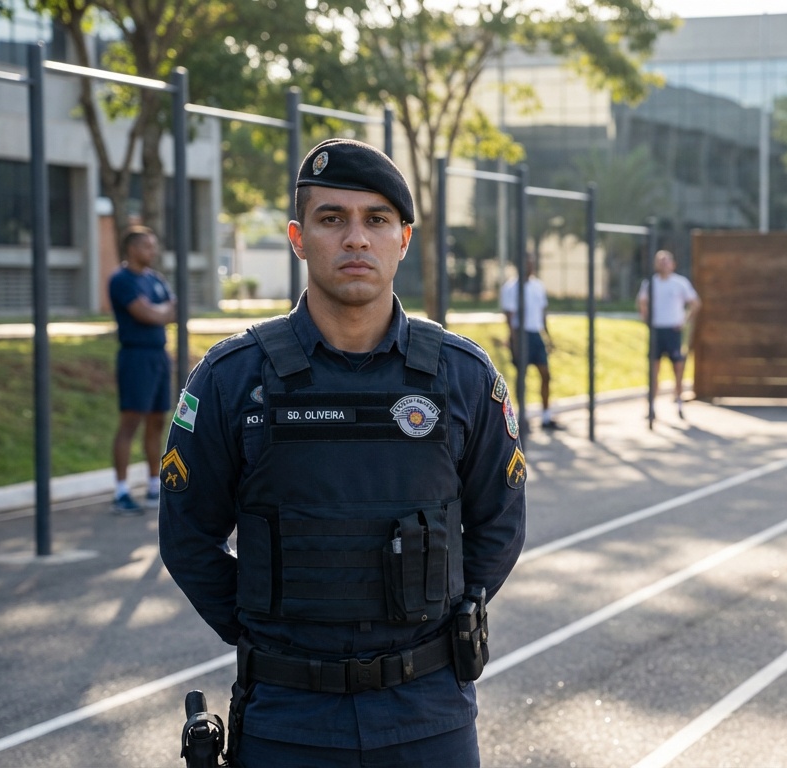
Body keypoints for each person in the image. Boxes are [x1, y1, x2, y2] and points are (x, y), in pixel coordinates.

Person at [159, 138, 526, 767]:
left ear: (403, 239)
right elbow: (188, 538)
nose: (356, 238)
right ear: (299, 238)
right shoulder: (231, 379)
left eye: (376, 220)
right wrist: (266, 630)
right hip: (287, 720)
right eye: (333, 219)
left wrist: (433, 616)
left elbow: (500, 523)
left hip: (427, 716)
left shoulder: (462, 376)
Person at [107, 225, 176, 515]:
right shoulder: (122, 280)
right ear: (133, 249)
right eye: (148, 246)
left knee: (158, 421)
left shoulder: (155, 279)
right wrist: (160, 312)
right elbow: (144, 313)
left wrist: (159, 312)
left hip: (159, 356)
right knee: (131, 422)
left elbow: (174, 309)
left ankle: (152, 486)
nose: (153, 251)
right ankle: (121, 491)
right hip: (135, 357)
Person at [637, 249, 700, 419]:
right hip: (657, 330)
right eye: (660, 261)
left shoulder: (680, 283)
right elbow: (642, 302)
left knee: (678, 367)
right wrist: (646, 319)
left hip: (673, 331)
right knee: (654, 370)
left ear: (673, 264)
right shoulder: (650, 283)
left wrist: (685, 321)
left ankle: (679, 401)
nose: (663, 264)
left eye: (666, 261)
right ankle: (651, 407)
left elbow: (695, 303)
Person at [500, 255, 559, 429]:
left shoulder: (538, 286)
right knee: (521, 377)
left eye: (532, 263)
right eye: (527, 263)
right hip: (520, 334)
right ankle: (522, 417)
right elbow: (509, 317)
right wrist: (514, 340)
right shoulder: (511, 287)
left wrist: (548, 337)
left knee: (546, 374)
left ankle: (546, 417)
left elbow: (542, 313)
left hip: (535, 335)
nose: (530, 266)